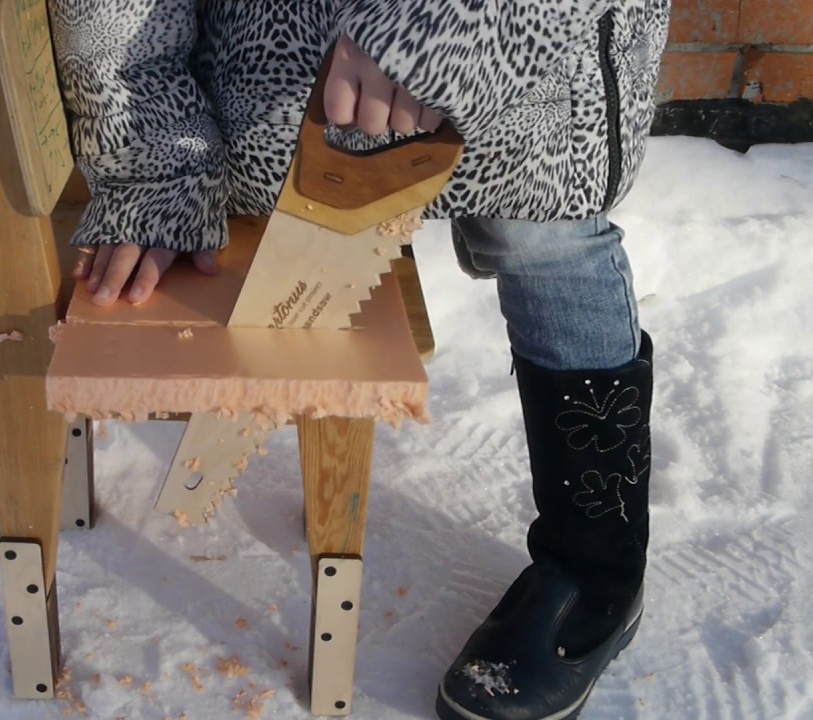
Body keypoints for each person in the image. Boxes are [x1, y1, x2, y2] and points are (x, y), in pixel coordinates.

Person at [47, 2, 670, 718]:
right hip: (283, 97)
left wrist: (427, 20)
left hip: (536, 51)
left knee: (546, 236)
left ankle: (596, 576)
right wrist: (160, 166)